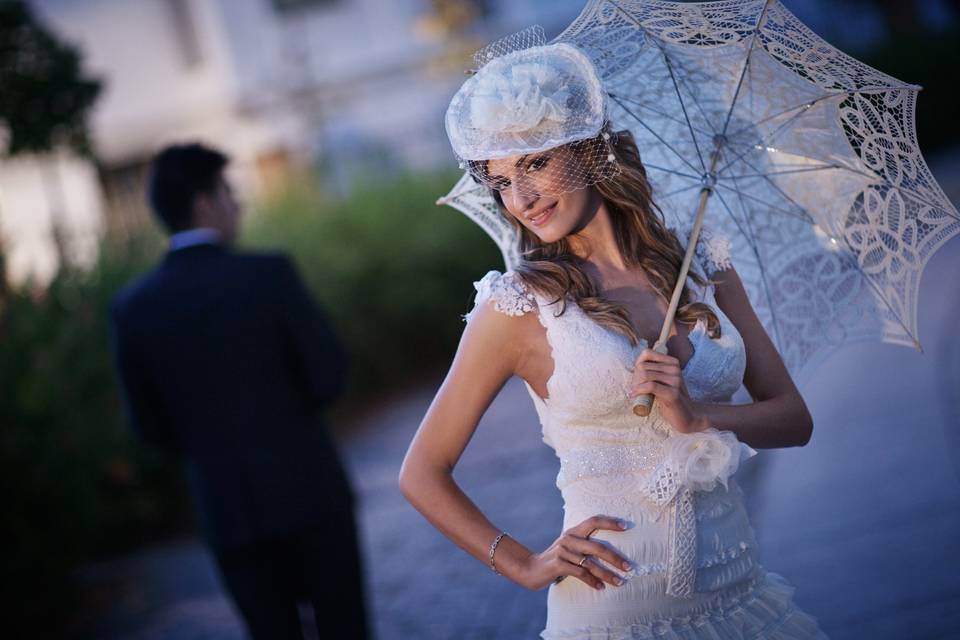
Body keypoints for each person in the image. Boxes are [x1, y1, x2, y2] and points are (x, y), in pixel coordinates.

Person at [398, 42, 829, 638]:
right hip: (615, 618)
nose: (520, 200)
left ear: (589, 148)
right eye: (500, 181)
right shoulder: (519, 305)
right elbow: (422, 471)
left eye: (534, 163)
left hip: (743, 601)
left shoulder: (702, 264)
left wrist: (699, 416)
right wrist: (523, 562)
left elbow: (794, 420)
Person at [109, 143, 370, 640]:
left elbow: (147, 428)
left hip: (226, 509)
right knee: (345, 630)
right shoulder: (268, 275)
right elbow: (329, 375)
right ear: (205, 203)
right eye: (230, 192)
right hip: (311, 493)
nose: (237, 205)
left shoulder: (133, 308)